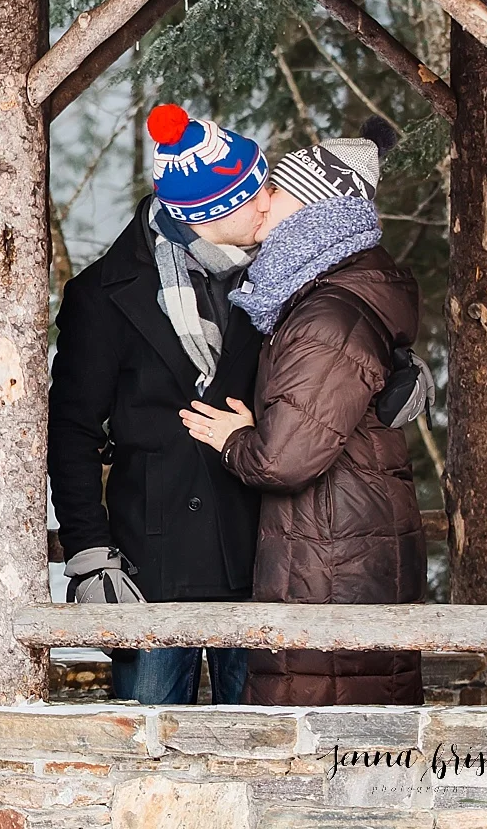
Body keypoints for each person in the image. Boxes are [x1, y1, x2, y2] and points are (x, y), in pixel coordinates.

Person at [180, 117, 428, 707]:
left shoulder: (326, 316)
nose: (260, 206)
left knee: (333, 732)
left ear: (320, 210)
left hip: (332, 558)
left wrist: (237, 439)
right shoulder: (322, 296)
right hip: (334, 544)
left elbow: (286, 459)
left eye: (277, 192)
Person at [48, 103, 270, 706]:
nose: (268, 203)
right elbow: (70, 431)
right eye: (253, 195)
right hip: (150, 563)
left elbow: (327, 355)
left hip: (263, 552)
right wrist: (90, 555)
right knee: (146, 761)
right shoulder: (101, 295)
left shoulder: (280, 275)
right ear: (208, 214)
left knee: (268, 756)